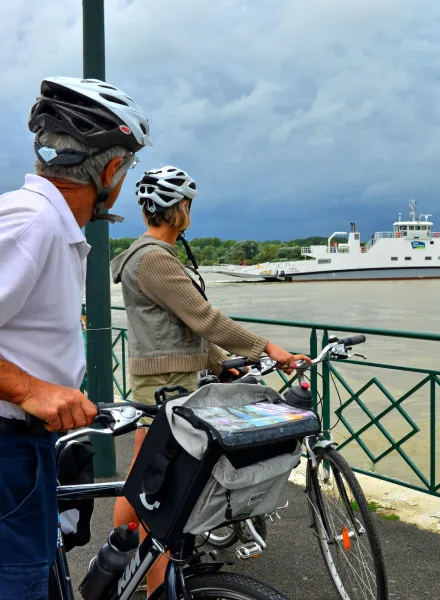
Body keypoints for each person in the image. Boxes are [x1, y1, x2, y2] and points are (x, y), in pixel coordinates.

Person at [110, 165, 309, 595]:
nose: (190, 212)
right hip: (165, 385)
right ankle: (146, 579)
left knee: (149, 479)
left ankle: (126, 559)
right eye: (188, 204)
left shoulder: (153, 256)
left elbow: (184, 328)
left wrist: (221, 364)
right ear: (177, 209)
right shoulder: (153, 260)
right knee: (154, 489)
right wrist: (267, 348)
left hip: (171, 380)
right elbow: (205, 319)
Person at [0, 76, 151, 600]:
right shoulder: (32, 222)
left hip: (29, 446)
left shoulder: (50, 225)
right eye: (126, 169)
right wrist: (27, 390)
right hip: (8, 447)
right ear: (111, 168)